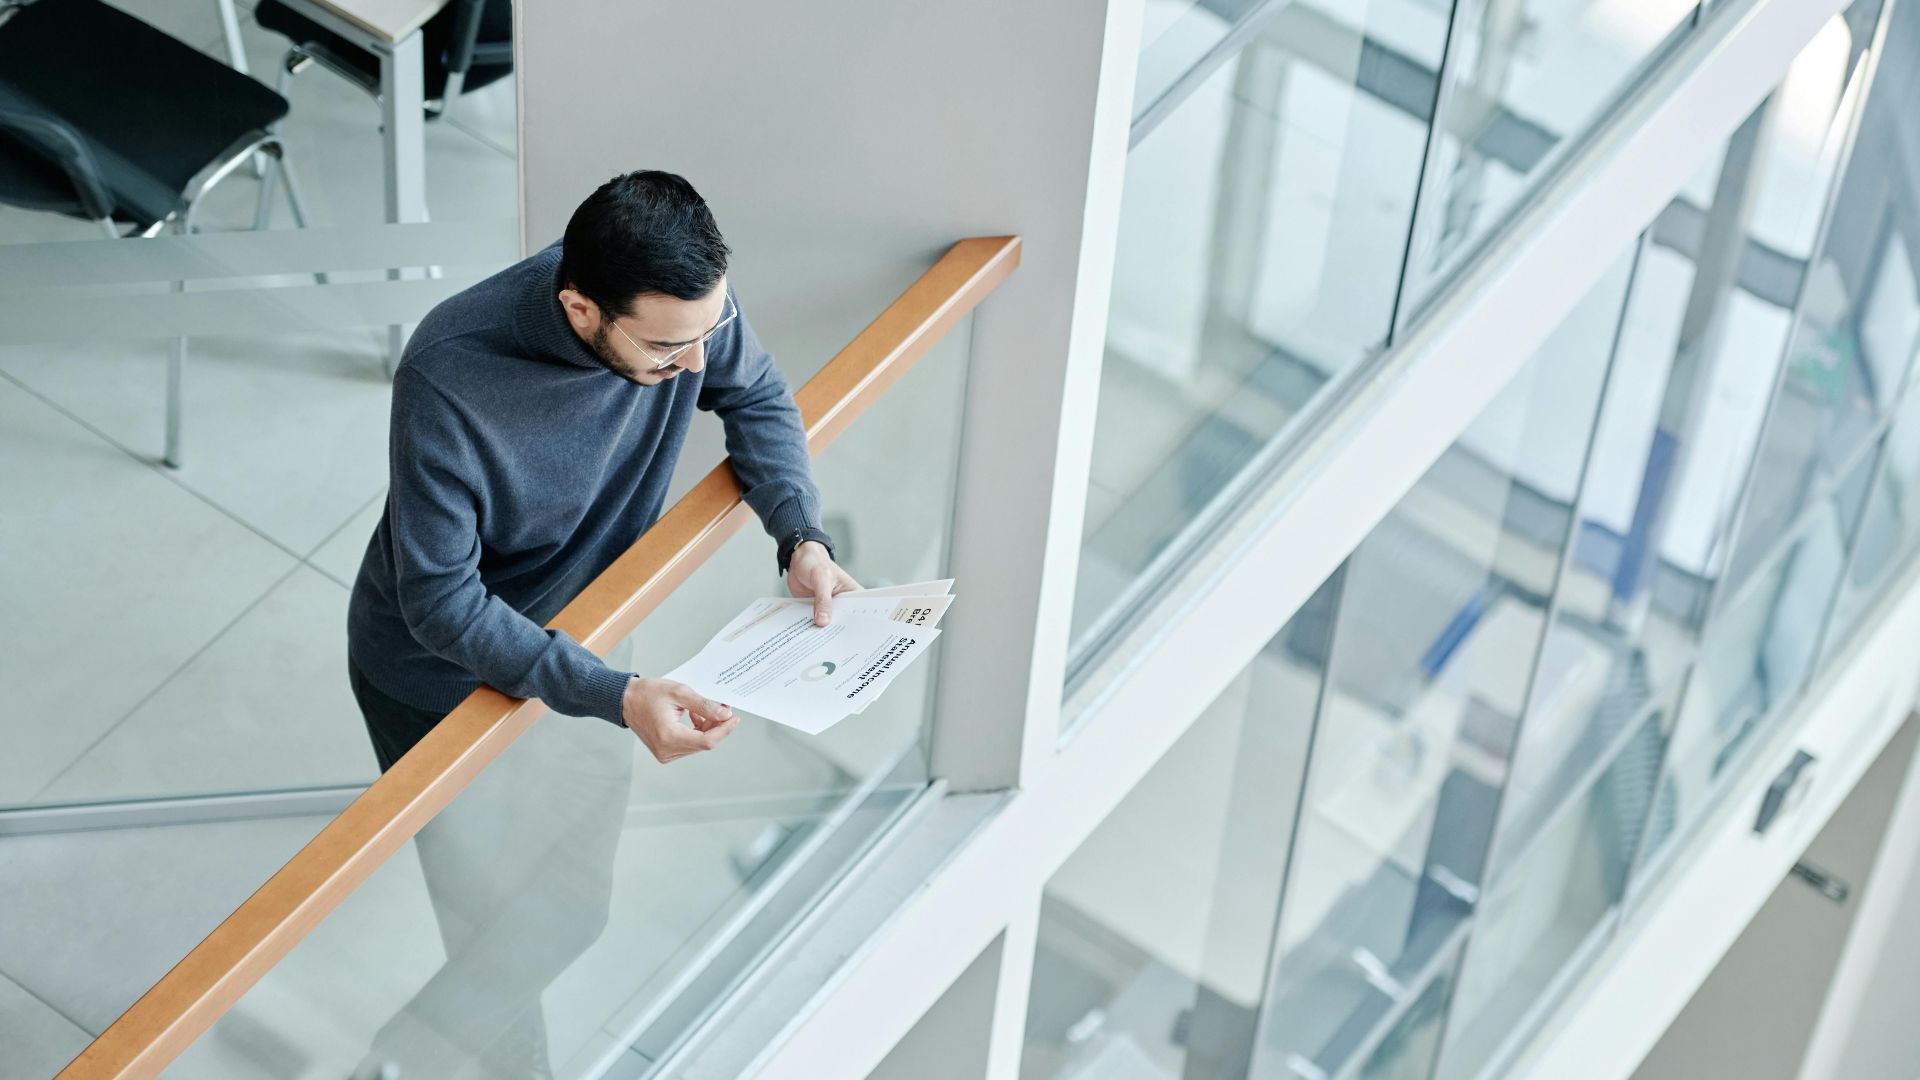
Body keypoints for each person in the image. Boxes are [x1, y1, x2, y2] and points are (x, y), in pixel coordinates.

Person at [342, 169, 860, 1077]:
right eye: (668, 350)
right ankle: (402, 1065)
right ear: (581, 309)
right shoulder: (451, 372)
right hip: (439, 680)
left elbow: (760, 396)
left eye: (709, 332)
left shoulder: (684, 317)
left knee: (558, 914)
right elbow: (440, 602)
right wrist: (614, 695)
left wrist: (800, 538)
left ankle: (420, 1062)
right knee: (494, 922)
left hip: (587, 641)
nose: (694, 365)